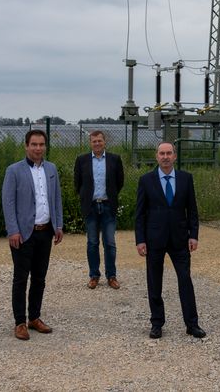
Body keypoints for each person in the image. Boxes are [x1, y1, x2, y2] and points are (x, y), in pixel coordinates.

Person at [135, 141, 205, 338]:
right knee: (154, 281)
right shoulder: (146, 180)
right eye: (161, 153)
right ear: (156, 156)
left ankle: (192, 324)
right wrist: (140, 240)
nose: (165, 157)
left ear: (175, 156)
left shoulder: (185, 179)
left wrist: (194, 235)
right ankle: (157, 323)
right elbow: (139, 214)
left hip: (180, 239)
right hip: (154, 239)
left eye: (169, 153)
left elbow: (192, 210)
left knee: (185, 280)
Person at [2, 129, 64, 341]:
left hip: (45, 231)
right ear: (26, 146)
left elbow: (56, 198)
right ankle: (20, 322)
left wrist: (59, 225)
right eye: (34, 145)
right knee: (21, 279)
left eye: (41, 145)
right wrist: (13, 230)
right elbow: (8, 202)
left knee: (39, 278)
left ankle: (34, 317)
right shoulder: (14, 171)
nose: (38, 148)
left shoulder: (51, 169)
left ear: (45, 146)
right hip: (23, 234)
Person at [74, 130, 125, 289]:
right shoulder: (82, 160)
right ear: (90, 143)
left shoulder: (114, 159)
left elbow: (119, 182)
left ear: (104, 142)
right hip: (91, 206)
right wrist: (85, 198)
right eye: (94, 141)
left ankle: (111, 276)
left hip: (108, 205)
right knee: (92, 243)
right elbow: (77, 183)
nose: (97, 144)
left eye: (99, 141)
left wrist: (111, 196)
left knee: (110, 243)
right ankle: (94, 275)